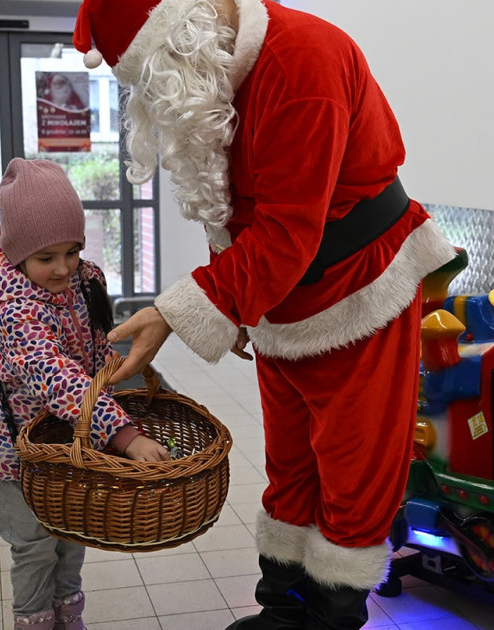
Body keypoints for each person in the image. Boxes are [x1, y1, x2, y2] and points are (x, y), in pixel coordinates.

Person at [73, 1, 458, 628]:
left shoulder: (304, 58)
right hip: (279, 302)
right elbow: (225, 204)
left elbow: (286, 232)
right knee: (290, 461)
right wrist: (243, 312)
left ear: (184, 33)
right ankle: (283, 606)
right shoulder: (220, 76)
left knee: (353, 466)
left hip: (359, 291)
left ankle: (333, 613)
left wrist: (177, 312)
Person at [0, 158, 170, 630]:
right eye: (46, 258)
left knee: (71, 535)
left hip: (73, 441)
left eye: (73, 251)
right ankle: (35, 622)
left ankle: (69, 617)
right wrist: (124, 436)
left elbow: (95, 347)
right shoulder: (16, 312)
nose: (63, 267)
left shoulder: (85, 280)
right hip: (19, 452)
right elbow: (57, 376)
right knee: (34, 547)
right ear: (17, 251)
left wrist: (118, 376)